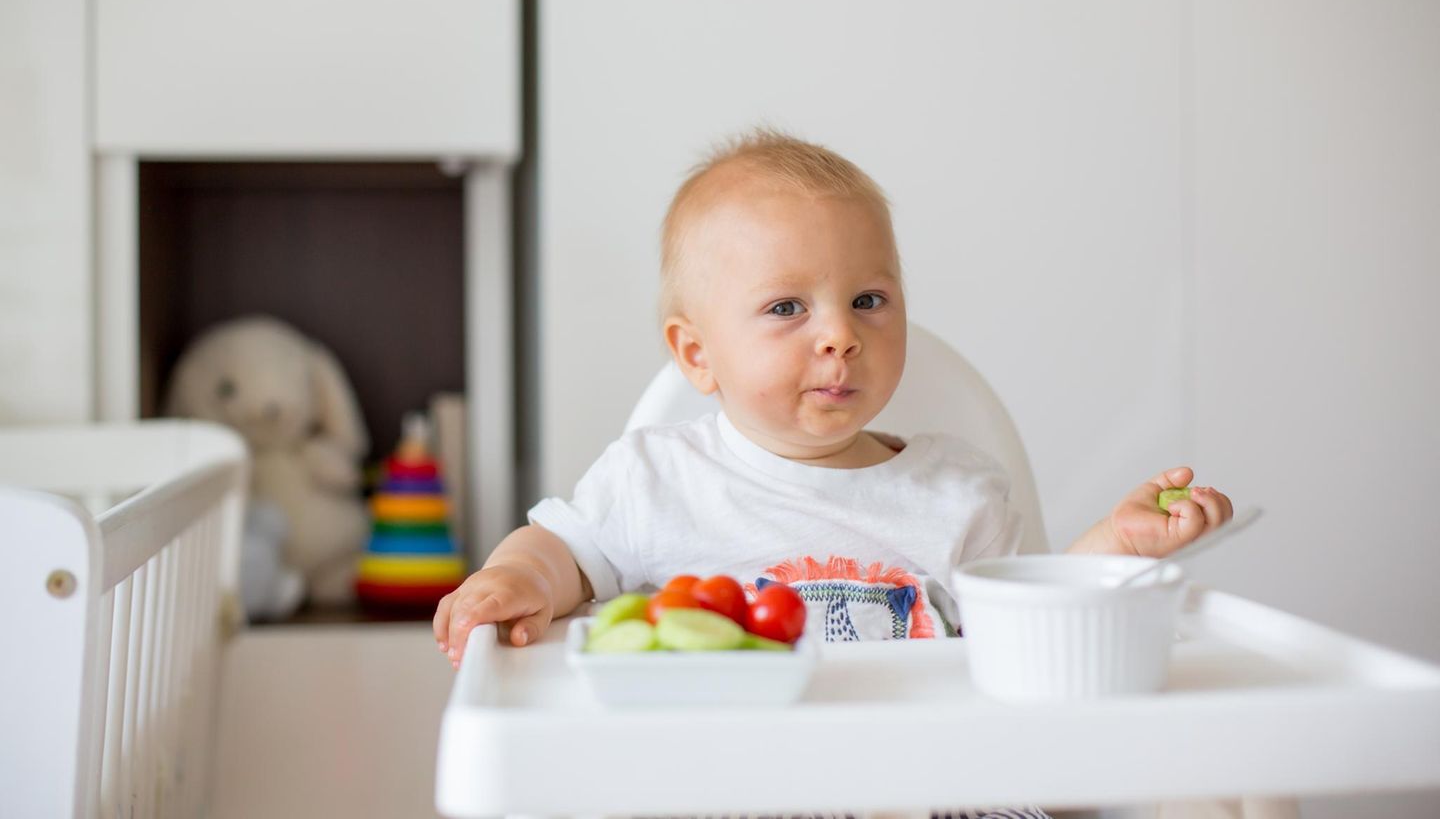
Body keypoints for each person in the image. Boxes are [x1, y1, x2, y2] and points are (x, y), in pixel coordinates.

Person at [433, 128, 1237, 819]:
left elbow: (1024, 633)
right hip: (734, 788)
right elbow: (560, 552)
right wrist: (510, 577)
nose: (840, 335)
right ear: (696, 354)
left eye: (869, 299)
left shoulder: (956, 491)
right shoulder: (654, 477)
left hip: (927, 788)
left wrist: (1111, 552)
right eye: (788, 307)